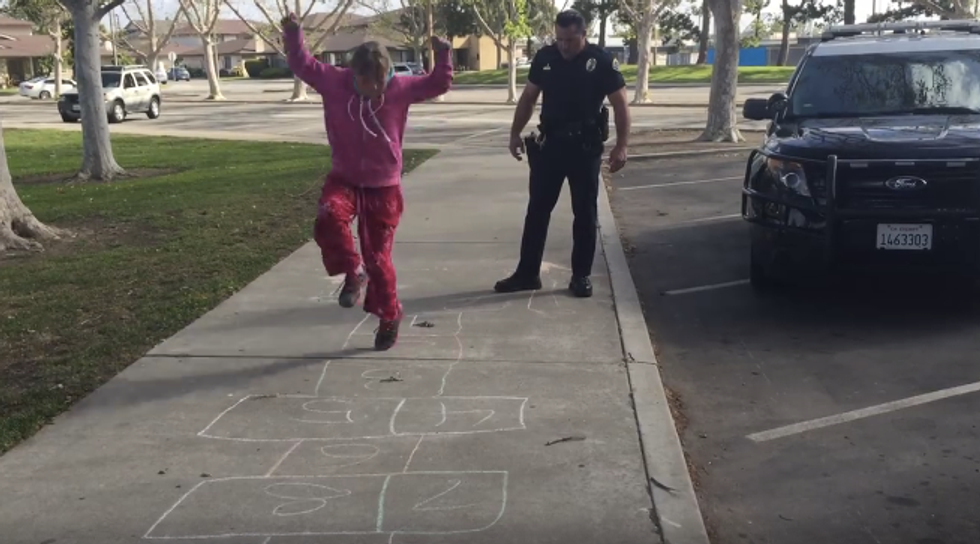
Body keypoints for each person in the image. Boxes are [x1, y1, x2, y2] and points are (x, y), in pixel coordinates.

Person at [282, 13, 453, 351]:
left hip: (383, 186)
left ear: (386, 74)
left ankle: (389, 317)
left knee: (379, 260)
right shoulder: (334, 82)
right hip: (344, 177)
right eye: (365, 82)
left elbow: (438, 84)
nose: (372, 90)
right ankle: (352, 271)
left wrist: (444, 54)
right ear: (354, 74)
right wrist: (293, 32)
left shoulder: (399, 88)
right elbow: (303, 64)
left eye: (378, 82)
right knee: (329, 214)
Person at [495, 9, 630, 298]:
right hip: (551, 146)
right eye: (559, 39)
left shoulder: (601, 61)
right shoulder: (545, 58)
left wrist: (622, 146)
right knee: (537, 211)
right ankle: (527, 273)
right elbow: (529, 98)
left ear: (583, 34)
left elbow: (620, 104)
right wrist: (514, 133)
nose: (564, 46)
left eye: (569, 40)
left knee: (584, 213)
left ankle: (581, 276)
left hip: (584, 148)